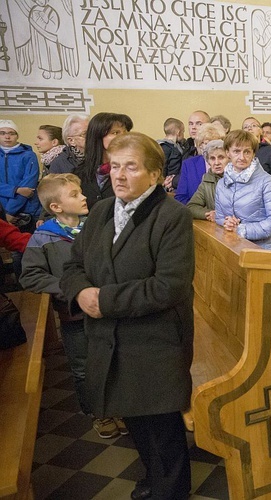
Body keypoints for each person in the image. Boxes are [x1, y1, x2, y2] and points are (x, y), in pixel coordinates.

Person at [60, 132, 194, 500]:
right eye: (115, 166)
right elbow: (74, 266)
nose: (119, 175)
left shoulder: (172, 217)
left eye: (131, 167)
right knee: (135, 422)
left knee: (161, 431)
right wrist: (80, 292)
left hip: (154, 342)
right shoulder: (103, 210)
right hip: (109, 338)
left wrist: (102, 299)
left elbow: (169, 286)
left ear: (154, 175)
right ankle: (152, 482)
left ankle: (170, 492)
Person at [20, 173, 125, 439]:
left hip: (107, 308)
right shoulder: (43, 238)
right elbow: (30, 275)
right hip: (73, 316)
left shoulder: (98, 226)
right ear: (56, 207)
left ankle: (118, 407)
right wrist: (70, 288)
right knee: (83, 367)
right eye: (75, 195)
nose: (84, 197)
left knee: (114, 360)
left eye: (81, 192)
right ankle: (98, 413)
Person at [214, 130, 271, 250]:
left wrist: (242, 229)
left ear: (253, 154)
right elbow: (219, 216)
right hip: (233, 246)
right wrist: (227, 222)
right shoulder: (221, 183)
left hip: (263, 249)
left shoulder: (267, 182)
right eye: (236, 151)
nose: (242, 157)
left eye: (247, 152)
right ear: (227, 153)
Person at [74, 112, 132, 209]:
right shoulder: (79, 173)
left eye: (125, 132)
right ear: (98, 137)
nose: (123, 137)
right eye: (115, 133)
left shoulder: (132, 170)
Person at [0, 119, 42, 232]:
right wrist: (16, 189)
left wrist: (9, 212)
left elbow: (28, 187)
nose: (7, 137)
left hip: (26, 210)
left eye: (11, 133)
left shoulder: (28, 156)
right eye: (2, 133)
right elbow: (21, 190)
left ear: (17, 136)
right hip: (1, 210)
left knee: (26, 245)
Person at [174, 123, 225, 204]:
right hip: (195, 214)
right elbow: (180, 197)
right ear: (200, 145)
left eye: (215, 143)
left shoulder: (229, 165)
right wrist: (200, 210)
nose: (211, 147)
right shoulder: (189, 165)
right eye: (207, 143)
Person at [187, 140, 227, 221]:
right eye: (212, 158)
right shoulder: (207, 181)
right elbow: (191, 207)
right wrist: (209, 213)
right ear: (208, 162)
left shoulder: (239, 178)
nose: (217, 163)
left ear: (229, 158)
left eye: (221, 157)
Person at [241, 117, 271, 184]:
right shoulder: (238, 151)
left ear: (261, 131)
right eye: (245, 127)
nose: (249, 128)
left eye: (253, 125)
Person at [158, 118, 185, 192]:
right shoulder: (166, 148)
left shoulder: (160, 146)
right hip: (167, 184)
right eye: (183, 132)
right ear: (178, 133)